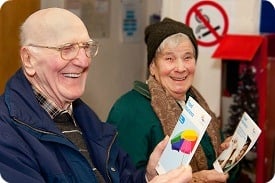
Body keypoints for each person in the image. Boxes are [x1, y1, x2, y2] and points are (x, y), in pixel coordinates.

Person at [0, 8, 193, 183]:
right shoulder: (6, 134)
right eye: (66, 49)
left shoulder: (87, 120)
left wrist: (148, 176)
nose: (83, 61)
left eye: (86, 47)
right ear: (29, 59)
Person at [107, 18, 236, 182]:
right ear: (153, 66)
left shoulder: (196, 103)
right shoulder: (129, 110)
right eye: (169, 58)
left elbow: (217, 171)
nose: (181, 68)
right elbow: (119, 177)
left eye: (187, 57)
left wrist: (229, 154)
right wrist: (195, 180)